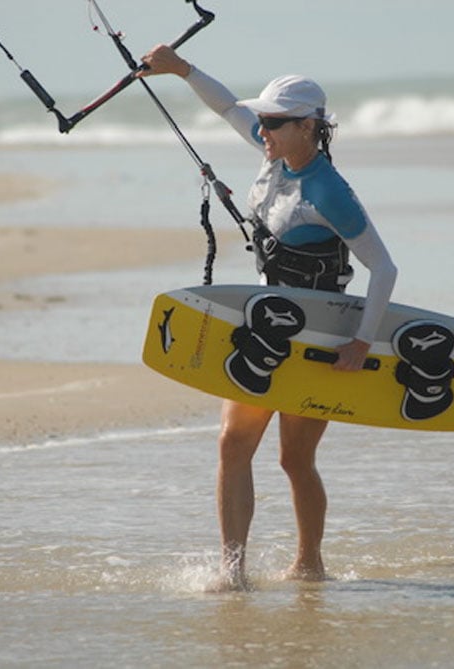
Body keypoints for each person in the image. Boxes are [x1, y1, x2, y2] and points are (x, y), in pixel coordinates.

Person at [139, 46, 398, 590]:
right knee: (233, 444)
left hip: (318, 339)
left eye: (275, 123)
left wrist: (361, 342)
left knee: (295, 459)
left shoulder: (330, 192)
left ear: (308, 127)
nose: (264, 130)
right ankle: (232, 572)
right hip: (263, 329)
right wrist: (182, 69)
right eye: (264, 121)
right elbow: (227, 107)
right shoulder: (274, 155)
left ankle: (310, 564)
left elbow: (384, 268)